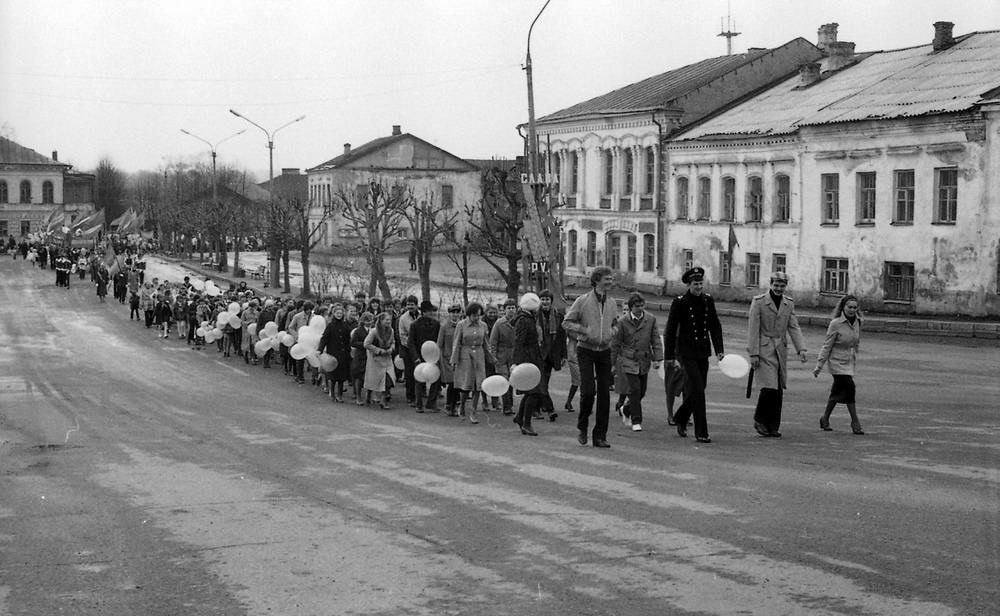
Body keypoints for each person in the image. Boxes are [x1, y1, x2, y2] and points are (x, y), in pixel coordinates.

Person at [663, 267, 725, 443]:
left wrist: (719, 349)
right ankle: (701, 432)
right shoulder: (680, 302)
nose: (698, 287)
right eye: (695, 284)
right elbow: (671, 330)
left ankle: (681, 417)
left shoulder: (708, 300)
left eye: (700, 283)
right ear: (688, 285)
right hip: (686, 352)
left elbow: (714, 325)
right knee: (697, 388)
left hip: (703, 351)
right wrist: (669, 357)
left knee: (700, 387)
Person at [747, 271, 808, 438]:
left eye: (782, 286)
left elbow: (793, 327)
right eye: (776, 285)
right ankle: (760, 420)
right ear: (771, 284)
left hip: (780, 348)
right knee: (769, 387)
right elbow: (753, 329)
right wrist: (753, 353)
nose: (779, 288)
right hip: (764, 348)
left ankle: (773, 425)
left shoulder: (788, 304)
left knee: (778, 388)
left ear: (785, 286)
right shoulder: (758, 302)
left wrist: (801, 348)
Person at [563, 266, 617, 448]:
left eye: (611, 279)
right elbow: (567, 322)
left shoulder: (612, 303)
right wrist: (584, 330)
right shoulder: (582, 301)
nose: (610, 282)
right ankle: (582, 424)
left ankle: (600, 436)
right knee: (588, 392)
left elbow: (616, 323)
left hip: (604, 351)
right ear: (596, 281)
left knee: (605, 395)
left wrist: (611, 332)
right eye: (607, 279)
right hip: (585, 350)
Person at [610, 292, 663, 432]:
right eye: (637, 306)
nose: (640, 309)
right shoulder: (622, 322)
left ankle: (626, 409)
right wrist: (612, 363)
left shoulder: (650, 319)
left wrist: (658, 358)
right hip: (628, 359)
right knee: (634, 389)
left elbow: (655, 339)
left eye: (642, 305)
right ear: (631, 306)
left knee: (642, 391)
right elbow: (615, 344)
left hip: (644, 360)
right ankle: (636, 420)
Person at [814, 294, 864, 435]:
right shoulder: (835, 323)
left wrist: (855, 353)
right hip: (836, 362)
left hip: (849, 362)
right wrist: (819, 365)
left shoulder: (858, 322)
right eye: (849, 307)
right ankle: (855, 422)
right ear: (843, 307)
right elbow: (827, 345)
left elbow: (856, 341)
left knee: (837, 391)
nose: (852, 310)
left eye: (855, 307)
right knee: (849, 387)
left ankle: (825, 418)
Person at [450, 302, 492, 424]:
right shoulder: (461, 325)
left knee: (479, 384)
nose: (476, 318)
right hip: (465, 354)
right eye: (474, 315)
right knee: (466, 384)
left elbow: (486, 343)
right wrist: (454, 360)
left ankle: (473, 411)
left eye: (478, 315)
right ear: (468, 315)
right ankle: (462, 406)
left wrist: (490, 357)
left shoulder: (483, 326)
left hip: (479, 355)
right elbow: (456, 343)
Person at [511, 293, 543, 436]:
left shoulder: (526, 318)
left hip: (532, 357)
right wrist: (516, 362)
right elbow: (518, 342)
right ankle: (526, 423)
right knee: (534, 391)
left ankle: (520, 417)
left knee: (531, 390)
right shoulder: (524, 320)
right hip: (527, 358)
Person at [536, 290, 567, 422]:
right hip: (538, 353)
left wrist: (563, 355)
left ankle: (537, 407)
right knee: (541, 383)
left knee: (544, 383)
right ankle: (550, 409)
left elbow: (562, 337)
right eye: (542, 299)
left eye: (547, 299)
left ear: (551, 301)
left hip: (551, 354)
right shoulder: (534, 315)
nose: (545, 302)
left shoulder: (559, 316)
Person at [409, 300, 442, 412]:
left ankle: (431, 402)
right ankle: (419, 404)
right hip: (420, 355)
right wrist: (415, 357)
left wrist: (438, 356)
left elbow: (439, 341)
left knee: (436, 379)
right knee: (419, 379)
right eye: (428, 311)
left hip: (433, 355)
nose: (431, 313)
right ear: (423, 312)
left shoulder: (436, 324)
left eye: (431, 311)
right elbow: (411, 342)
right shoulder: (414, 325)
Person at [488, 299, 517, 415]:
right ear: (504, 310)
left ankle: (510, 404)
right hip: (501, 356)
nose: (511, 310)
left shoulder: (519, 322)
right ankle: (507, 406)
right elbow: (493, 342)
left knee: (512, 380)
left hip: (514, 356)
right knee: (504, 380)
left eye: (513, 307)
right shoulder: (499, 324)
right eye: (508, 308)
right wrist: (493, 357)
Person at [319, 303, 352, 402]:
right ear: (334, 314)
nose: (339, 315)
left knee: (342, 377)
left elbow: (349, 339)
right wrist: (320, 349)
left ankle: (340, 395)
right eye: (337, 313)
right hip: (333, 353)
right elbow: (324, 338)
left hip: (343, 354)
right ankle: (332, 392)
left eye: (341, 313)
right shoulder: (330, 326)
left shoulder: (346, 326)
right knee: (333, 376)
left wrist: (350, 350)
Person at [363, 312, 395, 409]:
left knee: (389, 379)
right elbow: (366, 344)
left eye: (390, 320)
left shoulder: (391, 331)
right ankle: (368, 394)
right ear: (381, 321)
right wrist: (378, 350)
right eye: (386, 320)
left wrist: (391, 349)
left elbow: (393, 342)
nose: (389, 322)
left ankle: (383, 400)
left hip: (387, 359)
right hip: (375, 360)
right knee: (373, 380)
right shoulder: (374, 332)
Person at [437, 304, 463, 416]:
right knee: (452, 382)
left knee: (458, 383)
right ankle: (449, 405)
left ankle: (456, 405)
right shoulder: (444, 326)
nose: (455, 315)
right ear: (449, 313)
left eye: (457, 312)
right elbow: (439, 344)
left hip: (461, 358)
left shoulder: (463, 325)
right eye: (453, 312)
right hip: (448, 359)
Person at [396, 295, 420, 406]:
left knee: (420, 372)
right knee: (409, 374)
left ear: (416, 305)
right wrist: (411, 346)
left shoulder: (421, 315)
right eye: (408, 305)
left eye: (412, 305)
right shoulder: (403, 318)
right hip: (407, 349)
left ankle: (420, 394)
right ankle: (410, 396)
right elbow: (402, 335)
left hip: (421, 349)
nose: (410, 307)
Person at [350, 312, 374, 405]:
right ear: (363, 321)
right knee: (359, 377)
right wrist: (365, 344)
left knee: (371, 376)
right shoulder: (358, 331)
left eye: (371, 320)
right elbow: (353, 342)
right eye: (367, 320)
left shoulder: (373, 330)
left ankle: (369, 394)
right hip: (361, 356)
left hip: (371, 356)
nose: (369, 322)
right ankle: (358, 396)